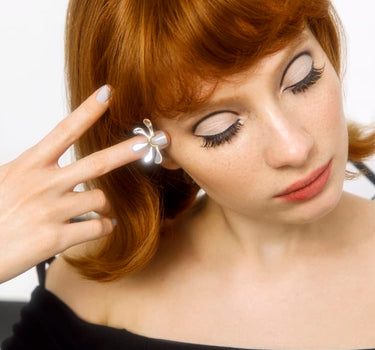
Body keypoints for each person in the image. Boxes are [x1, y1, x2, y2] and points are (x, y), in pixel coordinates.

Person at [2, 0, 375, 348]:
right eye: (220, 127)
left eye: (301, 77)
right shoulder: (90, 292)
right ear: (154, 145)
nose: (294, 148)